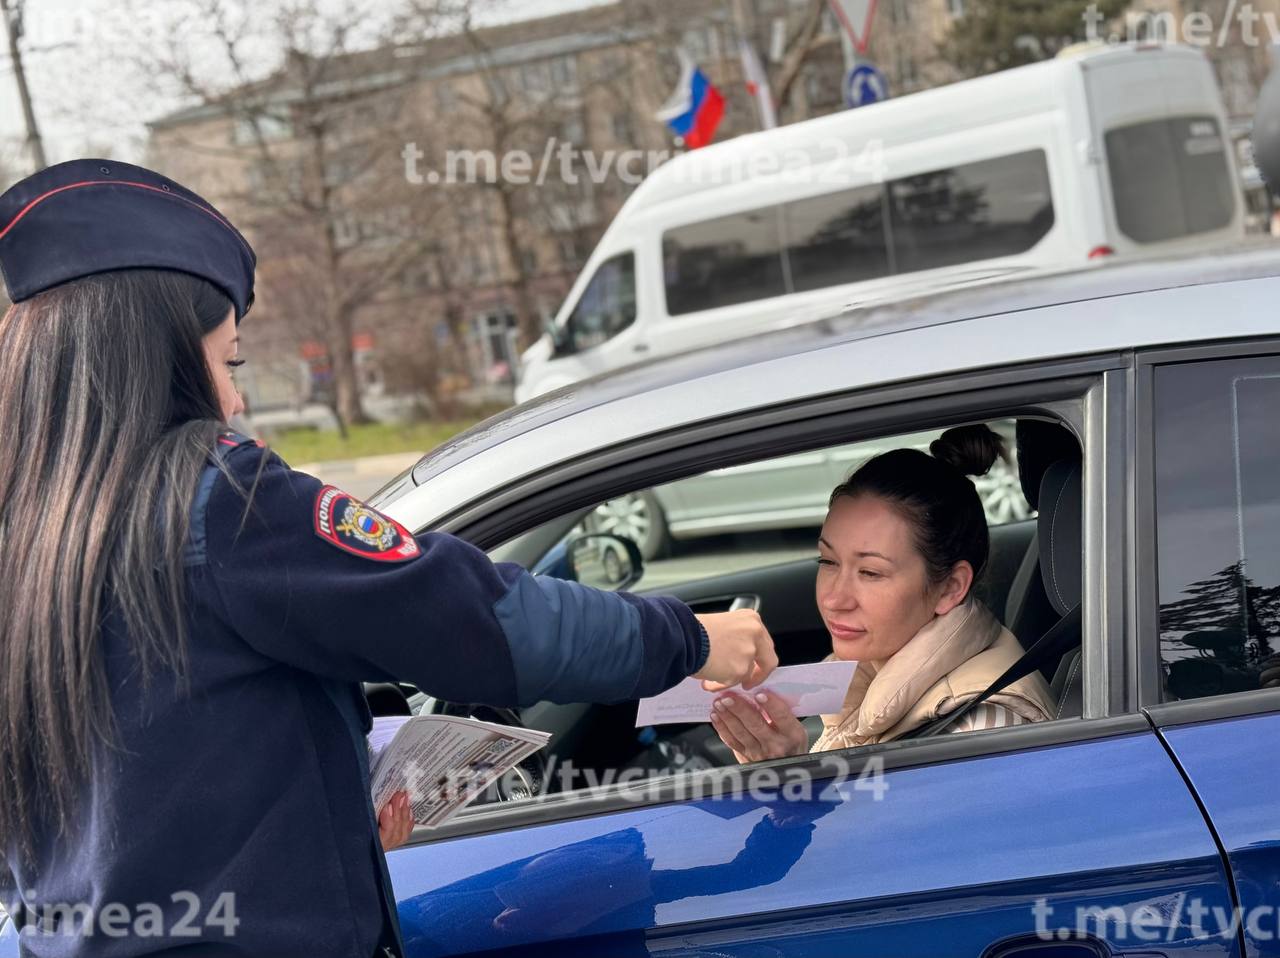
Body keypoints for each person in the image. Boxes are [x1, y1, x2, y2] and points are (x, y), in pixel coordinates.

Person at [0, 159, 777, 958]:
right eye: (229, 361)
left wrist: (320, 826)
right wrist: (690, 638)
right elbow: (482, 621)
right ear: (153, 355)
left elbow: (124, 804)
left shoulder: (27, 535)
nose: (234, 400)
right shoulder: (218, 502)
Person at [710, 425, 1056, 764]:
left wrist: (791, 780)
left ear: (950, 588)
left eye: (871, 573)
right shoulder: (877, 680)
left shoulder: (978, 731)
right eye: (828, 561)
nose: (835, 599)